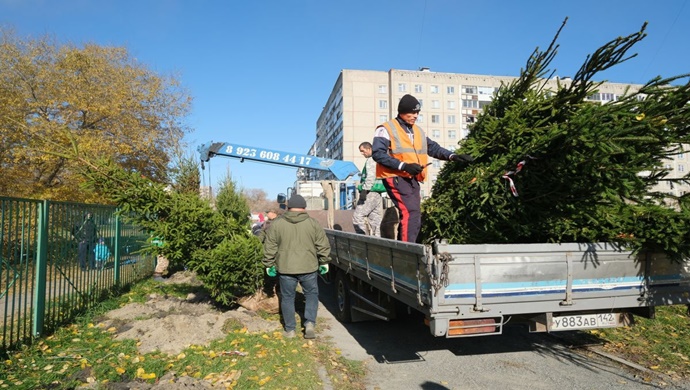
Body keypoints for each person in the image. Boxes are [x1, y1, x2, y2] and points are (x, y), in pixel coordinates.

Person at [372, 94, 474, 243]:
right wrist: (403, 166)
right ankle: (408, 251)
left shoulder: (418, 131)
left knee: (413, 214)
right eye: (412, 112)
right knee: (410, 212)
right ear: (401, 111)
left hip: (412, 178)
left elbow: (433, 148)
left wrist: (453, 156)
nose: (415, 116)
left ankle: (407, 245)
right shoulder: (386, 129)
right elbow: (378, 154)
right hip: (395, 177)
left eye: (417, 113)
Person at [262, 195, 331, 339]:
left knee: (287, 298)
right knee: (311, 295)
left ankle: (290, 330)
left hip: (286, 268)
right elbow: (322, 245)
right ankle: (310, 323)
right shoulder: (313, 223)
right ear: (304, 207)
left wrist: (269, 264)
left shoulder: (277, 224)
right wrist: (324, 261)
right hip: (309, 267)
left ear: (288, 207)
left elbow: (270, 246)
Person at [353, 142, 384, 236]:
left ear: (369, 149)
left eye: (363, 151)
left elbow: (370, 177)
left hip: (369, 193)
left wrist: (364, 190)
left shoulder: (371, 160)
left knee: (357, 217)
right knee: (375, 219)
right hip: (377, 193)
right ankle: (377, 242)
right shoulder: (379, 159)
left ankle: (361, 239)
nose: (362, 153)